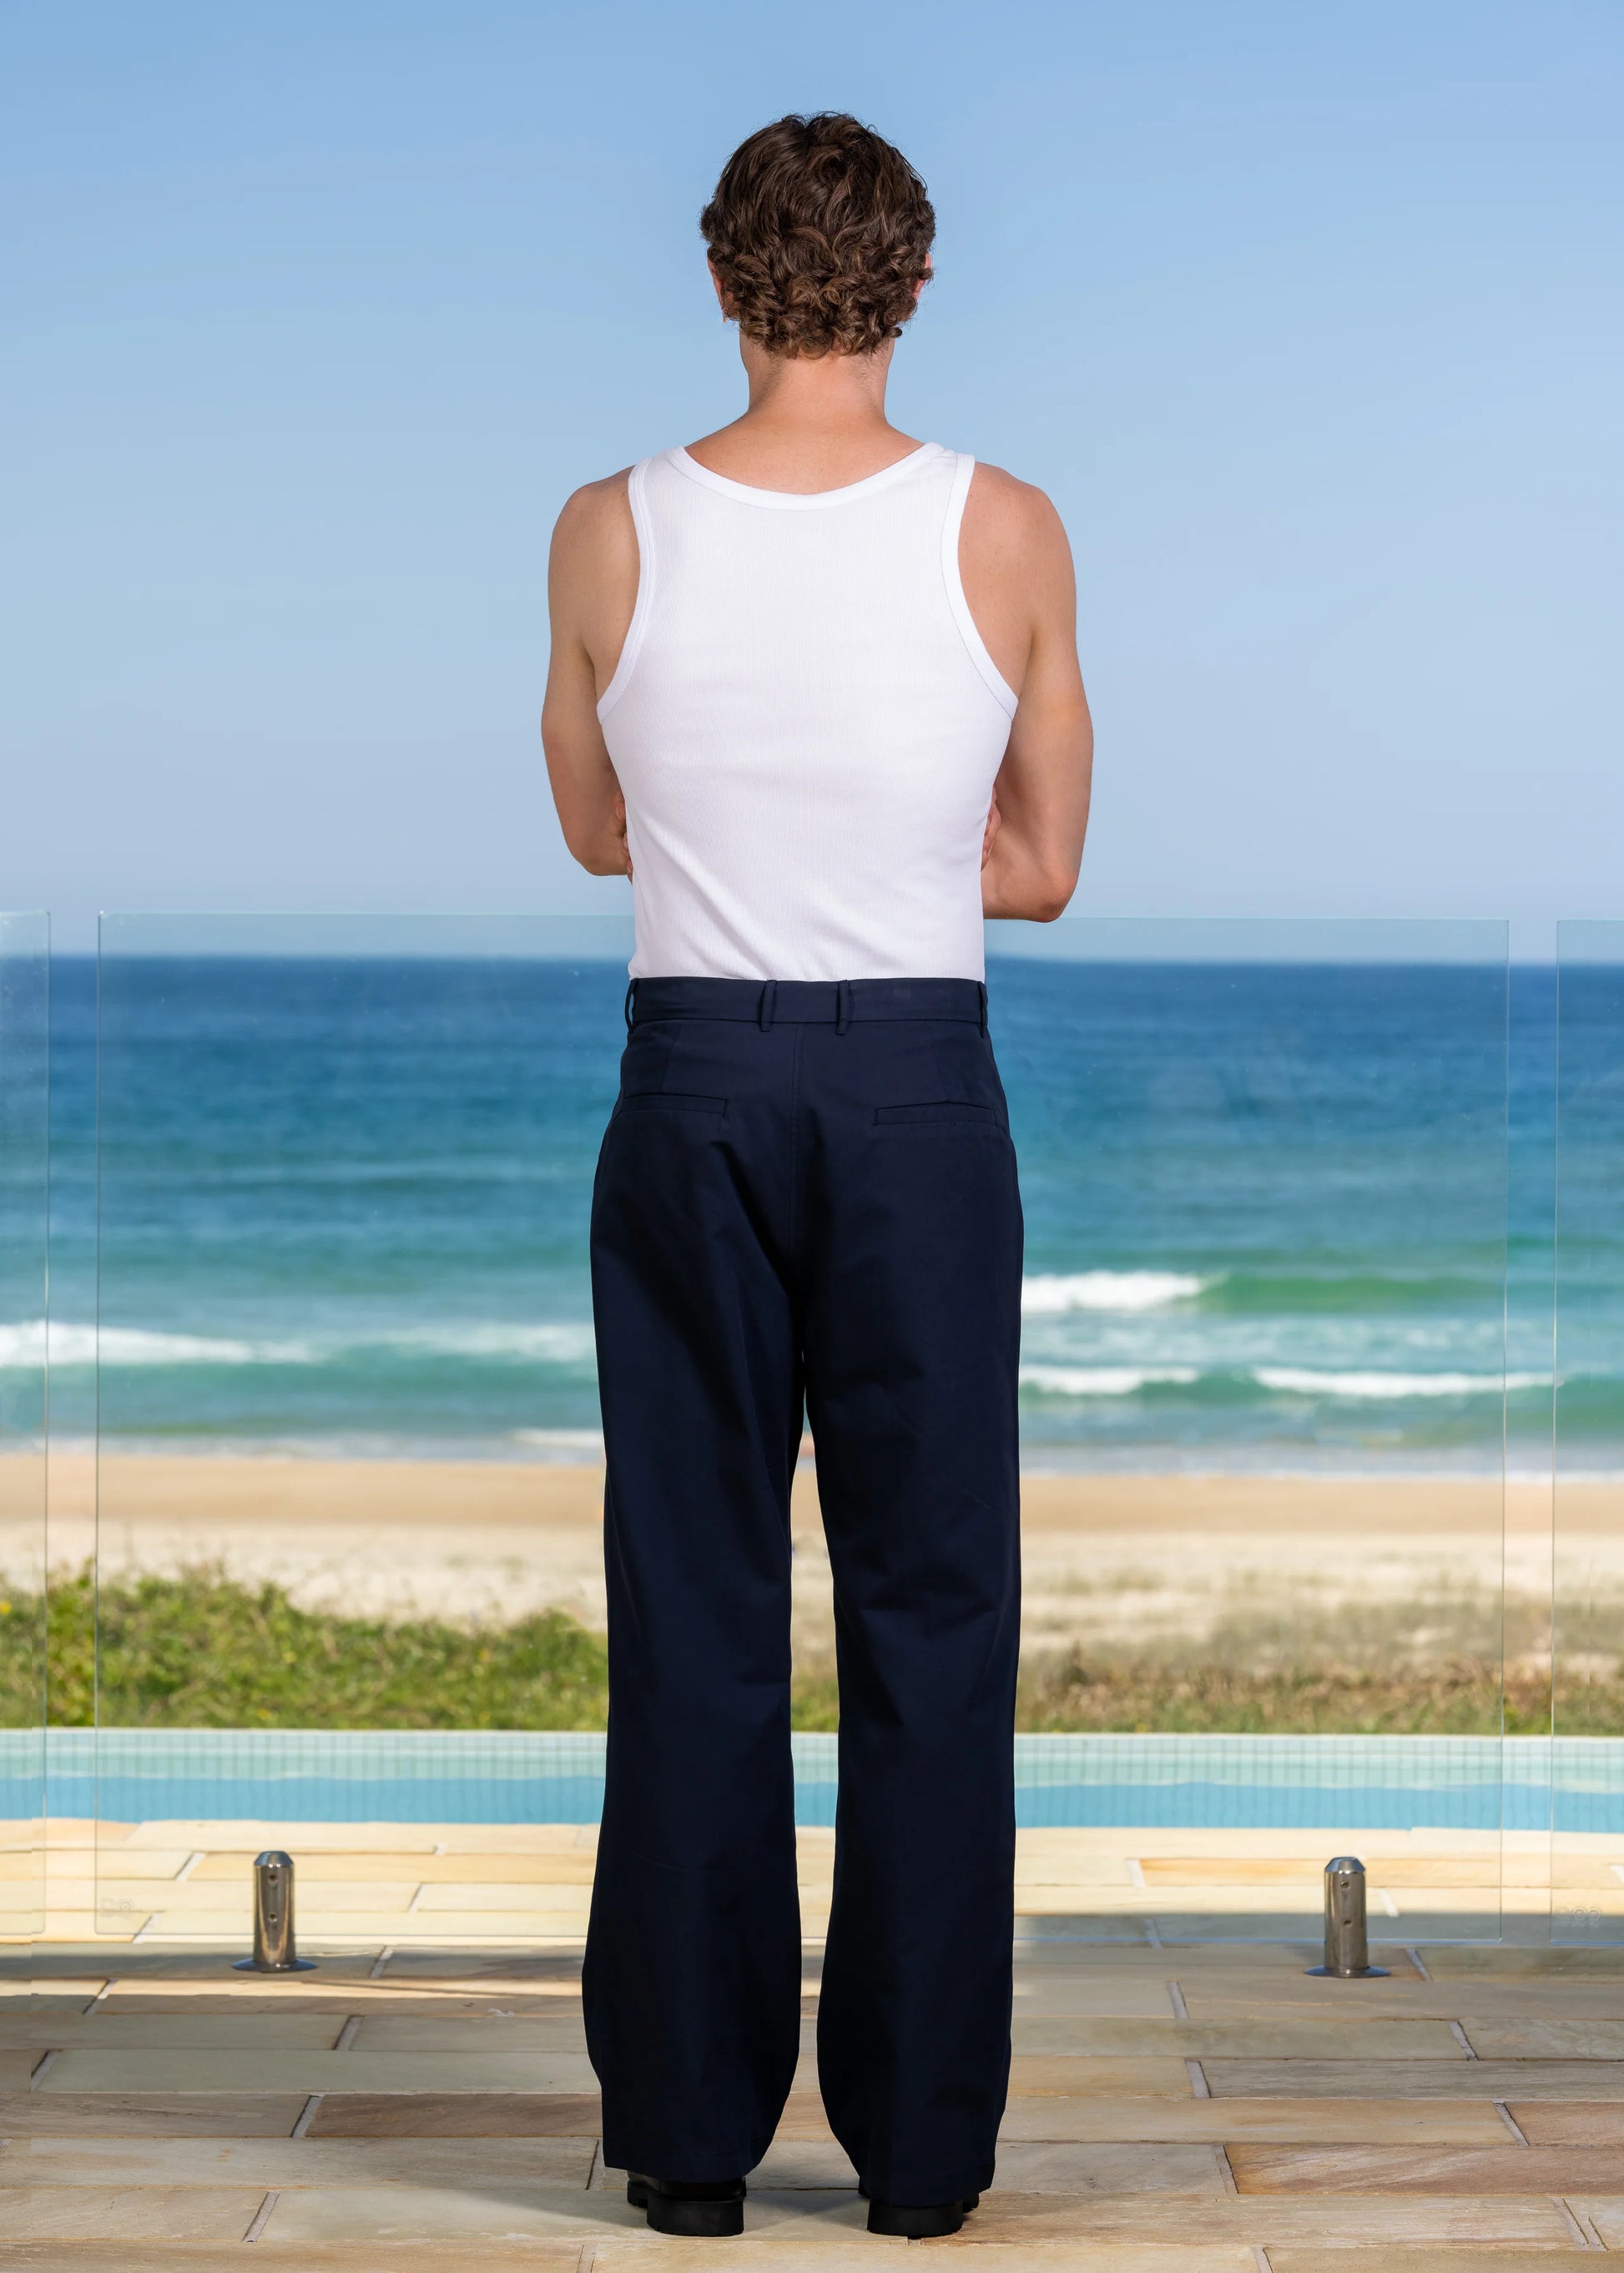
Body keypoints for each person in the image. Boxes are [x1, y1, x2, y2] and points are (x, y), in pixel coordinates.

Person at [542, 111, 1092, 2241]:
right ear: (914, 286)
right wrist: (882, 860)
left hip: (692, 1089)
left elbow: (601, 831)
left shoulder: (608, 528)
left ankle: (686, 2146)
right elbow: (1040, 866)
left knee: (691, 1611)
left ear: (719, 281)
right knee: (931, 1620)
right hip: (916, 1102)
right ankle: (923, 2157)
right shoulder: (1009, 528)